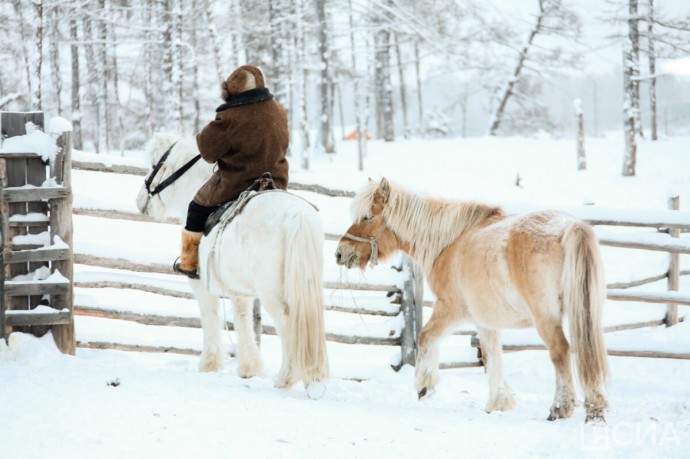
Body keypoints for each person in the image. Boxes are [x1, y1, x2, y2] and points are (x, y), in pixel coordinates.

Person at [174, 64, 289, 278]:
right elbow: (284, 144)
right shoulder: (279, 110)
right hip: (276, 183)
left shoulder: (230, 117)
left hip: (237, 184)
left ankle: (190, 263)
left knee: (196, 208)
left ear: (231, 91)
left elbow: (207, 153)